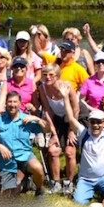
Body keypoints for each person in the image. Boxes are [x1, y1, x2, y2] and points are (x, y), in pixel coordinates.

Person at [0, 91, 51, 195]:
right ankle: (26, 184)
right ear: (6, 104)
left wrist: (37, 119)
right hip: (7, 161)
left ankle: (39, 190)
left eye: (15, 102)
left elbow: (48, 129)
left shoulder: (26, 119)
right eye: (10, 102)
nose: (12, 105)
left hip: (25, 156)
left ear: (20, 103)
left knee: (38, 168)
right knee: (8, 196)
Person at [62, 91, 104, 205]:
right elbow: (70, 118)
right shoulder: (83, 133)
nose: (95, 125)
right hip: (85, 180)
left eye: (99, 122)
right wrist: (65, 98)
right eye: (93, 122)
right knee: (78, 202)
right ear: (89, 123)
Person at [34, 63, 78, 194]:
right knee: (53, 150)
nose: (47, 77)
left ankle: (69, 182)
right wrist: (53, 133)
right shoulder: (42, 89)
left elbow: (76, 108)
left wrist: (71, 130)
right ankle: (56, 182)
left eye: (51, 75)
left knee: (70, 151)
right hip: (56, 119)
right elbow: (47, 111)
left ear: (57, 76)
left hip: (72, 118)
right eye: (45, 75)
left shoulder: (67, 86)